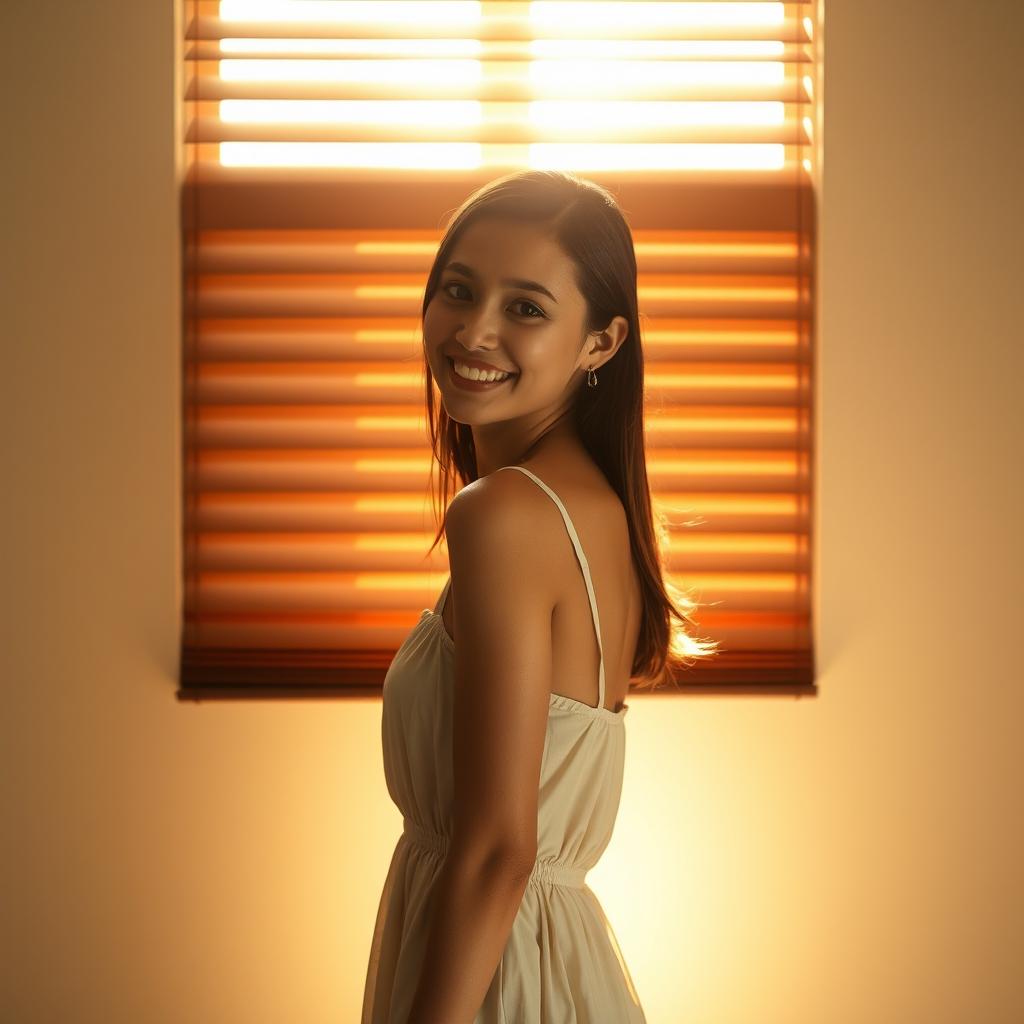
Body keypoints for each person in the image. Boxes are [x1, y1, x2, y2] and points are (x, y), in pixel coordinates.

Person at [361, 170, 717, 1023]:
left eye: (526, 308)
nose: (473, 330)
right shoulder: (594, 509)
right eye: (457, 290)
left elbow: (493, 853)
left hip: (492, 978)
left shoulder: (505, 515)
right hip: (540, 959)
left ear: (601, 342)